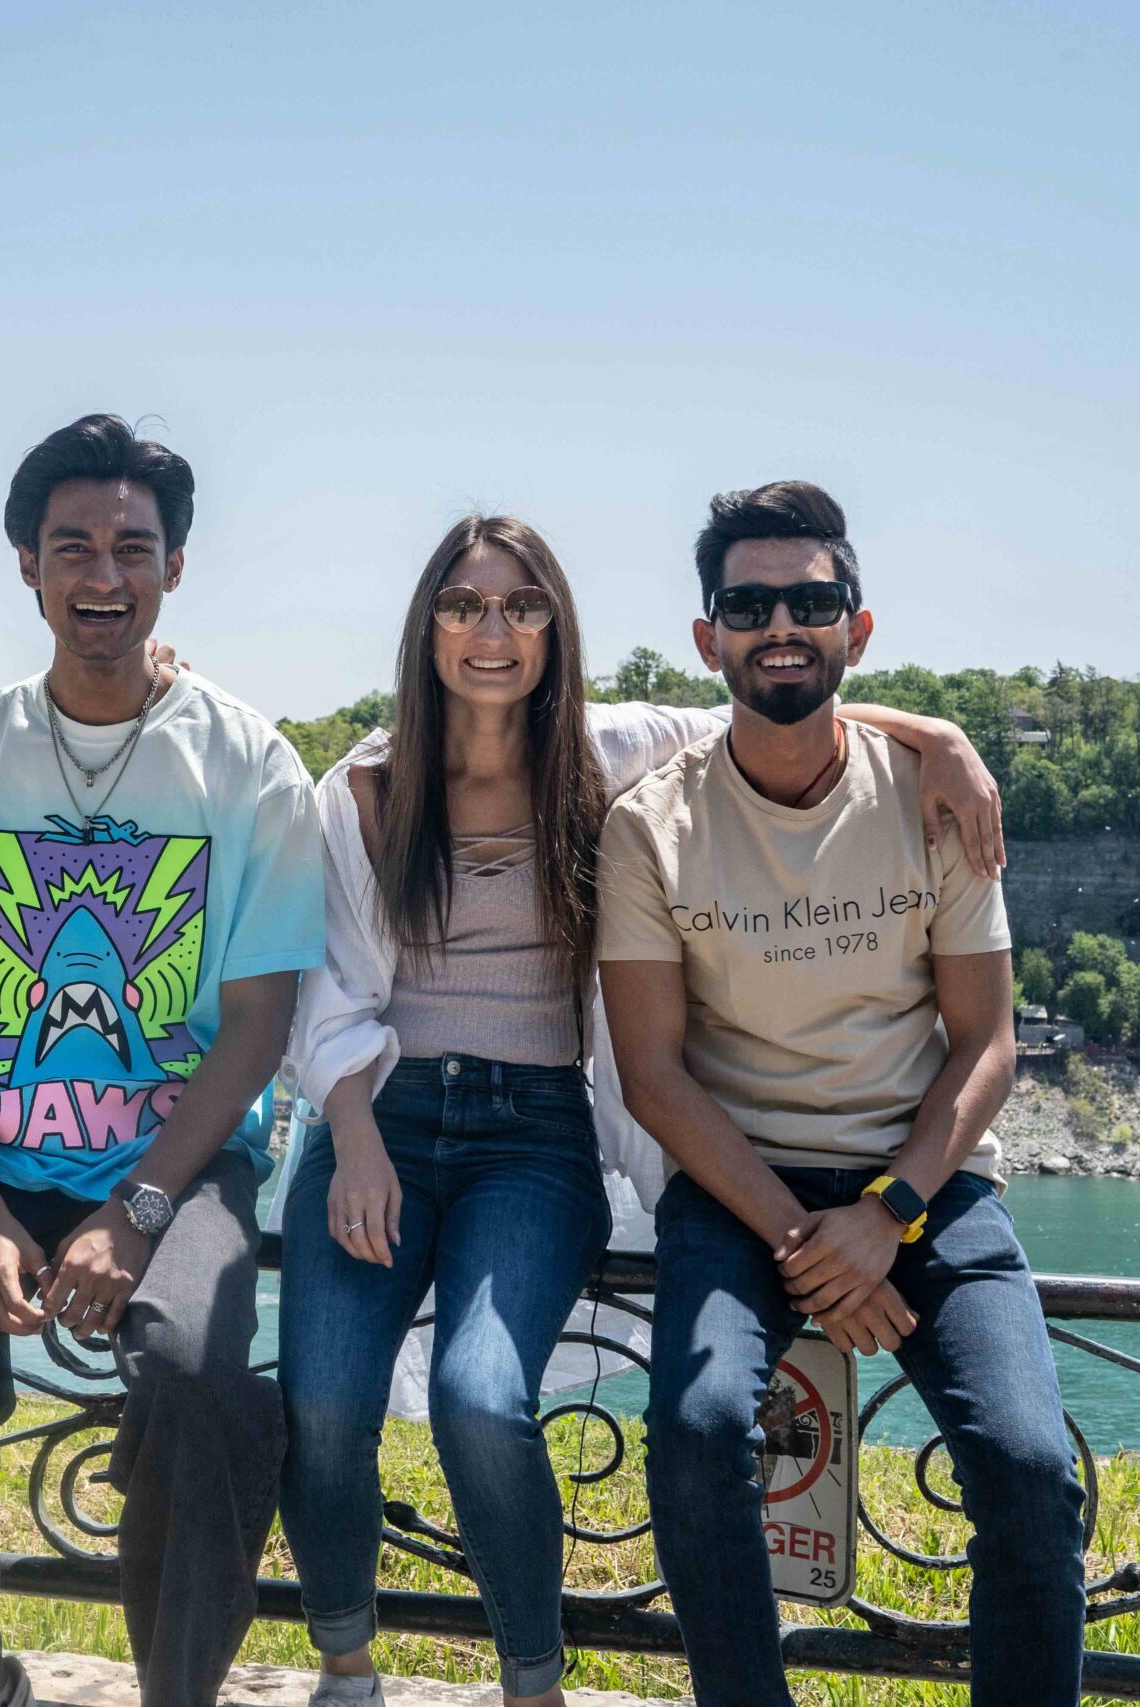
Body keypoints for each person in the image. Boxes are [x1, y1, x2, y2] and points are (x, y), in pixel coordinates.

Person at [281, 516, 1005, 1707]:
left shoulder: (607, 752)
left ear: (556, 628)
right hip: (382, 1118)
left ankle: (532, 1682)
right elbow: (333, 989)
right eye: (463, 606)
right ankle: (346, 1663)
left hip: (535, 1134)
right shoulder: (362, 790)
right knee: (318, 1399)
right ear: (426, 630)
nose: (492, 631)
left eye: (521, 606)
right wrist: (351, 1136)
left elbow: (777, 706)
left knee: (477, 1397)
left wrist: (939, 737)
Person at [0, 414, 325, 1707]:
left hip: (181, 1161)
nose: (104, 574)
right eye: (74, 546)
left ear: (176, 565)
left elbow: (258, 1019)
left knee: (201, 1389)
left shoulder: (248, 763)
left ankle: (177, 1690)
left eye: (132, 547)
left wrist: (140, 1208)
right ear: (28, 566)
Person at [596, 481, 1084, 1707]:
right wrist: (806, 1243)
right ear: (706, 638)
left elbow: (986, 1044)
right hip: (737, 1186)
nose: (781, 625)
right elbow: (653, 1074)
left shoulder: (933, 802)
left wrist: (889, 1214)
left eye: (811, 602)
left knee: (1029, 1469)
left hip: (925, 1186)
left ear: (855, 632)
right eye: (749, 603)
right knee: (699, 1435)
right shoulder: (648, 829)